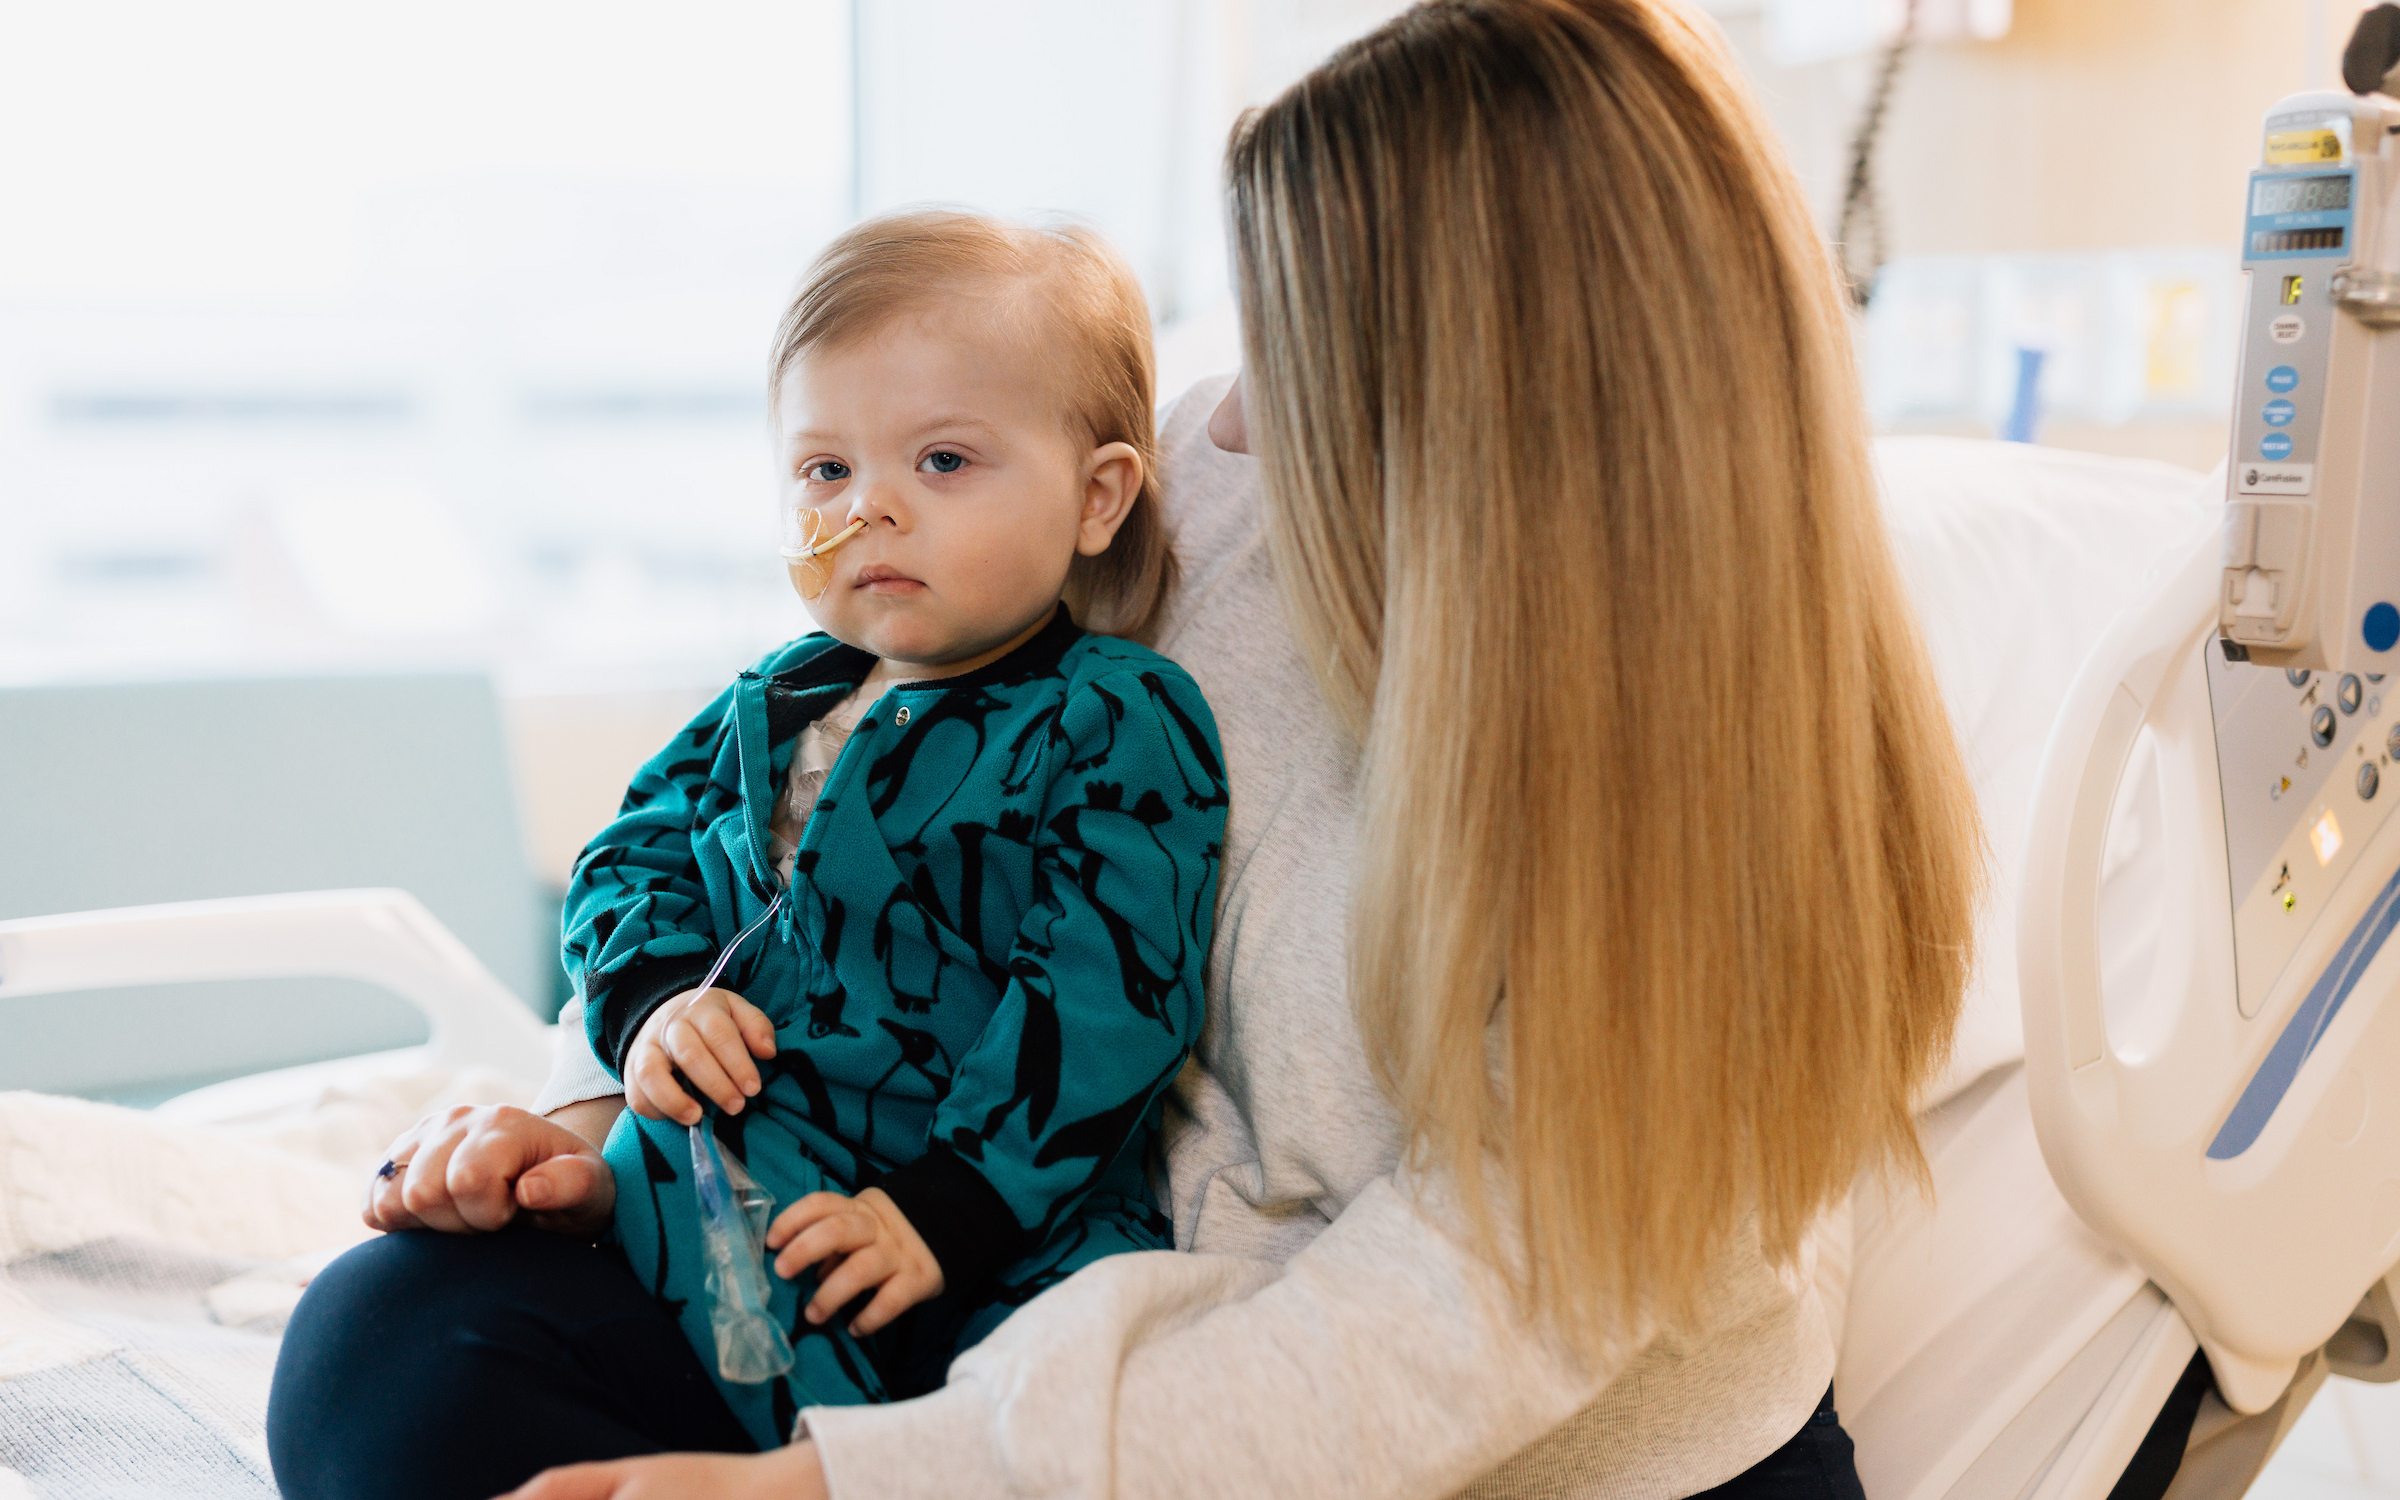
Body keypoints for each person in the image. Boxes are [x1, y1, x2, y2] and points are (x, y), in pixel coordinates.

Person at [271, 3, 1984, 1497]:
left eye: (1289, 346)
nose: (1212, 420)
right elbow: (835, 849)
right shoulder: (1190, 494)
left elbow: (1404, 1358)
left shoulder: (1699, 853)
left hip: (1414, 1444)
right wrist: (621, 1115)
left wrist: (856, 1481)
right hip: (1015, 1282)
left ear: (1476, 414)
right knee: (399, 1348)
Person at [269, 211, 1228, 1488]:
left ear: (1097, 497)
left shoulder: (1110, 715)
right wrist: (657, 1006)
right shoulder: (771, 702)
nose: (870, 507)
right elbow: (629, 861)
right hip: (700, 1205)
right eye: (825, 469)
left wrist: (946, 1211)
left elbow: (1110, 999)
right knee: (371, 1335)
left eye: (944, 460)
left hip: (963, 1250)